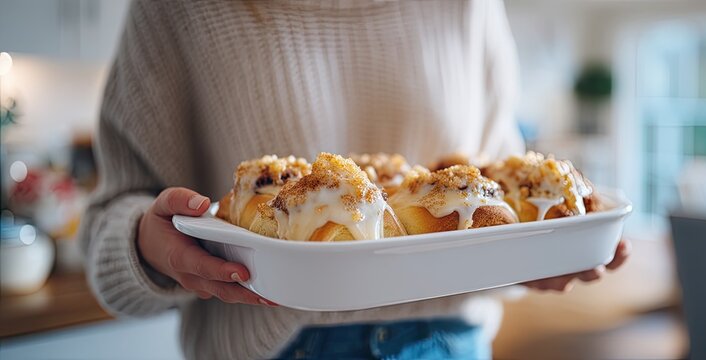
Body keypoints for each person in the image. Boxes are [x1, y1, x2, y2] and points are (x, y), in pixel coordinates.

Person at [80, 1, 630, 359]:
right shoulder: (178, 11)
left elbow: (496, 198)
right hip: (270, 347)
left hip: (448, 343)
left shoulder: (469, 7)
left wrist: (536, 261)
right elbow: (110, 222)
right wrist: (148, 248)